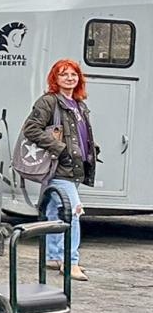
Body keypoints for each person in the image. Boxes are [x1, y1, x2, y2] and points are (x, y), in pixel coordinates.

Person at [22, 59, 97, 281]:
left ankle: (54, 256)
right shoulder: (48, 102)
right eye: (64, 74)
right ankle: (70, 262)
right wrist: (60, 148)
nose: (70, 78)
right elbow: (31, 129)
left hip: (74, 169)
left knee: (56, 212)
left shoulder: (79, 104)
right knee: (73, 212)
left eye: (74, 74)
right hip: (58, 167)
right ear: (55, 78)